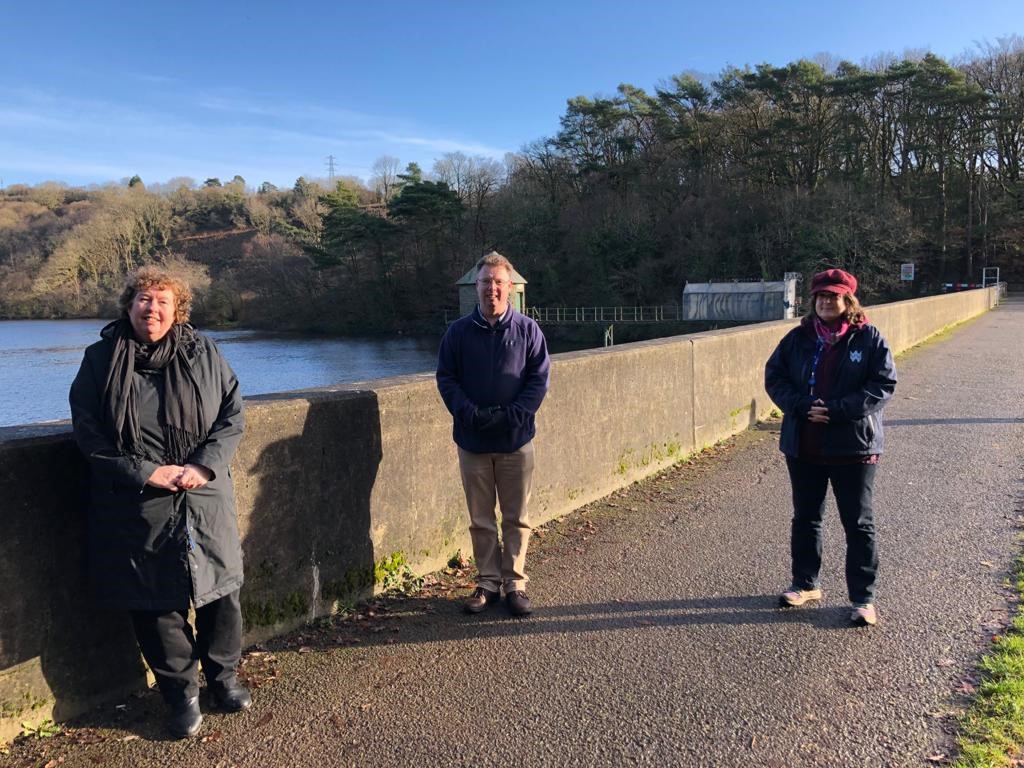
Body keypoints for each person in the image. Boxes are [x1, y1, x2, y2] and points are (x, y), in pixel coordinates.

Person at [69, 266, 249, 738]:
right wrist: (144, 471)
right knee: (155, 604)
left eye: (162, 301)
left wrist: (204, 465)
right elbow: (88, 430)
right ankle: (181, 695)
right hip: (138, 501)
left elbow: (232, 414)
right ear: (129, 306)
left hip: (203, 493)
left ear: (177, 310)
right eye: (144, 299)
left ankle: (224, 679)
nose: (152, 308)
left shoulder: (203, 352)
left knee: (220, 593)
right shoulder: (100, 359)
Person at [764, 268, 896, 627]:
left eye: (833, 296)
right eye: (821, 296)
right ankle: (805, 584)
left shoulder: (869, 339)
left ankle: (863, 598)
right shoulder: (798, 338)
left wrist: (837, 410)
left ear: (847, 300)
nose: (825, 302)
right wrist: (801, 406)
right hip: (804, 443)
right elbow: (774, 377)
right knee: (806, 516)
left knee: (858, 521)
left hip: (853, 446)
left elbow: (883, 385)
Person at [437, 252, 550, 617]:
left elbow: (538, 379)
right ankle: (488, 582)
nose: (492, 289)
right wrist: (470, 414)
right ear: (477, 287)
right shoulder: (457, 333)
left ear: (510, 288)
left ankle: (515, 583)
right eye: (486, 282)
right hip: (473, 442)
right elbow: (447, 379)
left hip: (516, 441)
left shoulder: (528, 331)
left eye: (499, 282)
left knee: (516, 516)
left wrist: (511, 416)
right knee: (481, 518)